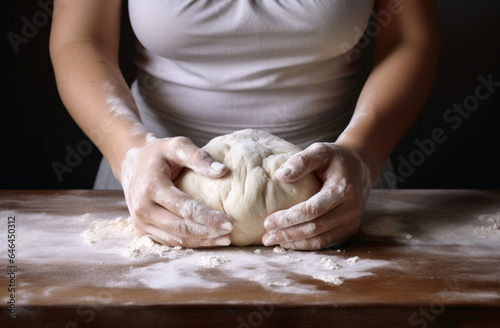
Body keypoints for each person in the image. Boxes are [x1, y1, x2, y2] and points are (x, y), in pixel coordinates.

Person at [49, 0, 439, 250]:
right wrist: (129, 151)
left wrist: (362, 153)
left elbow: (410, 38)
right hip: (152, 185)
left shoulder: (348, 175)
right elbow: (80, 39)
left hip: (335, 191)